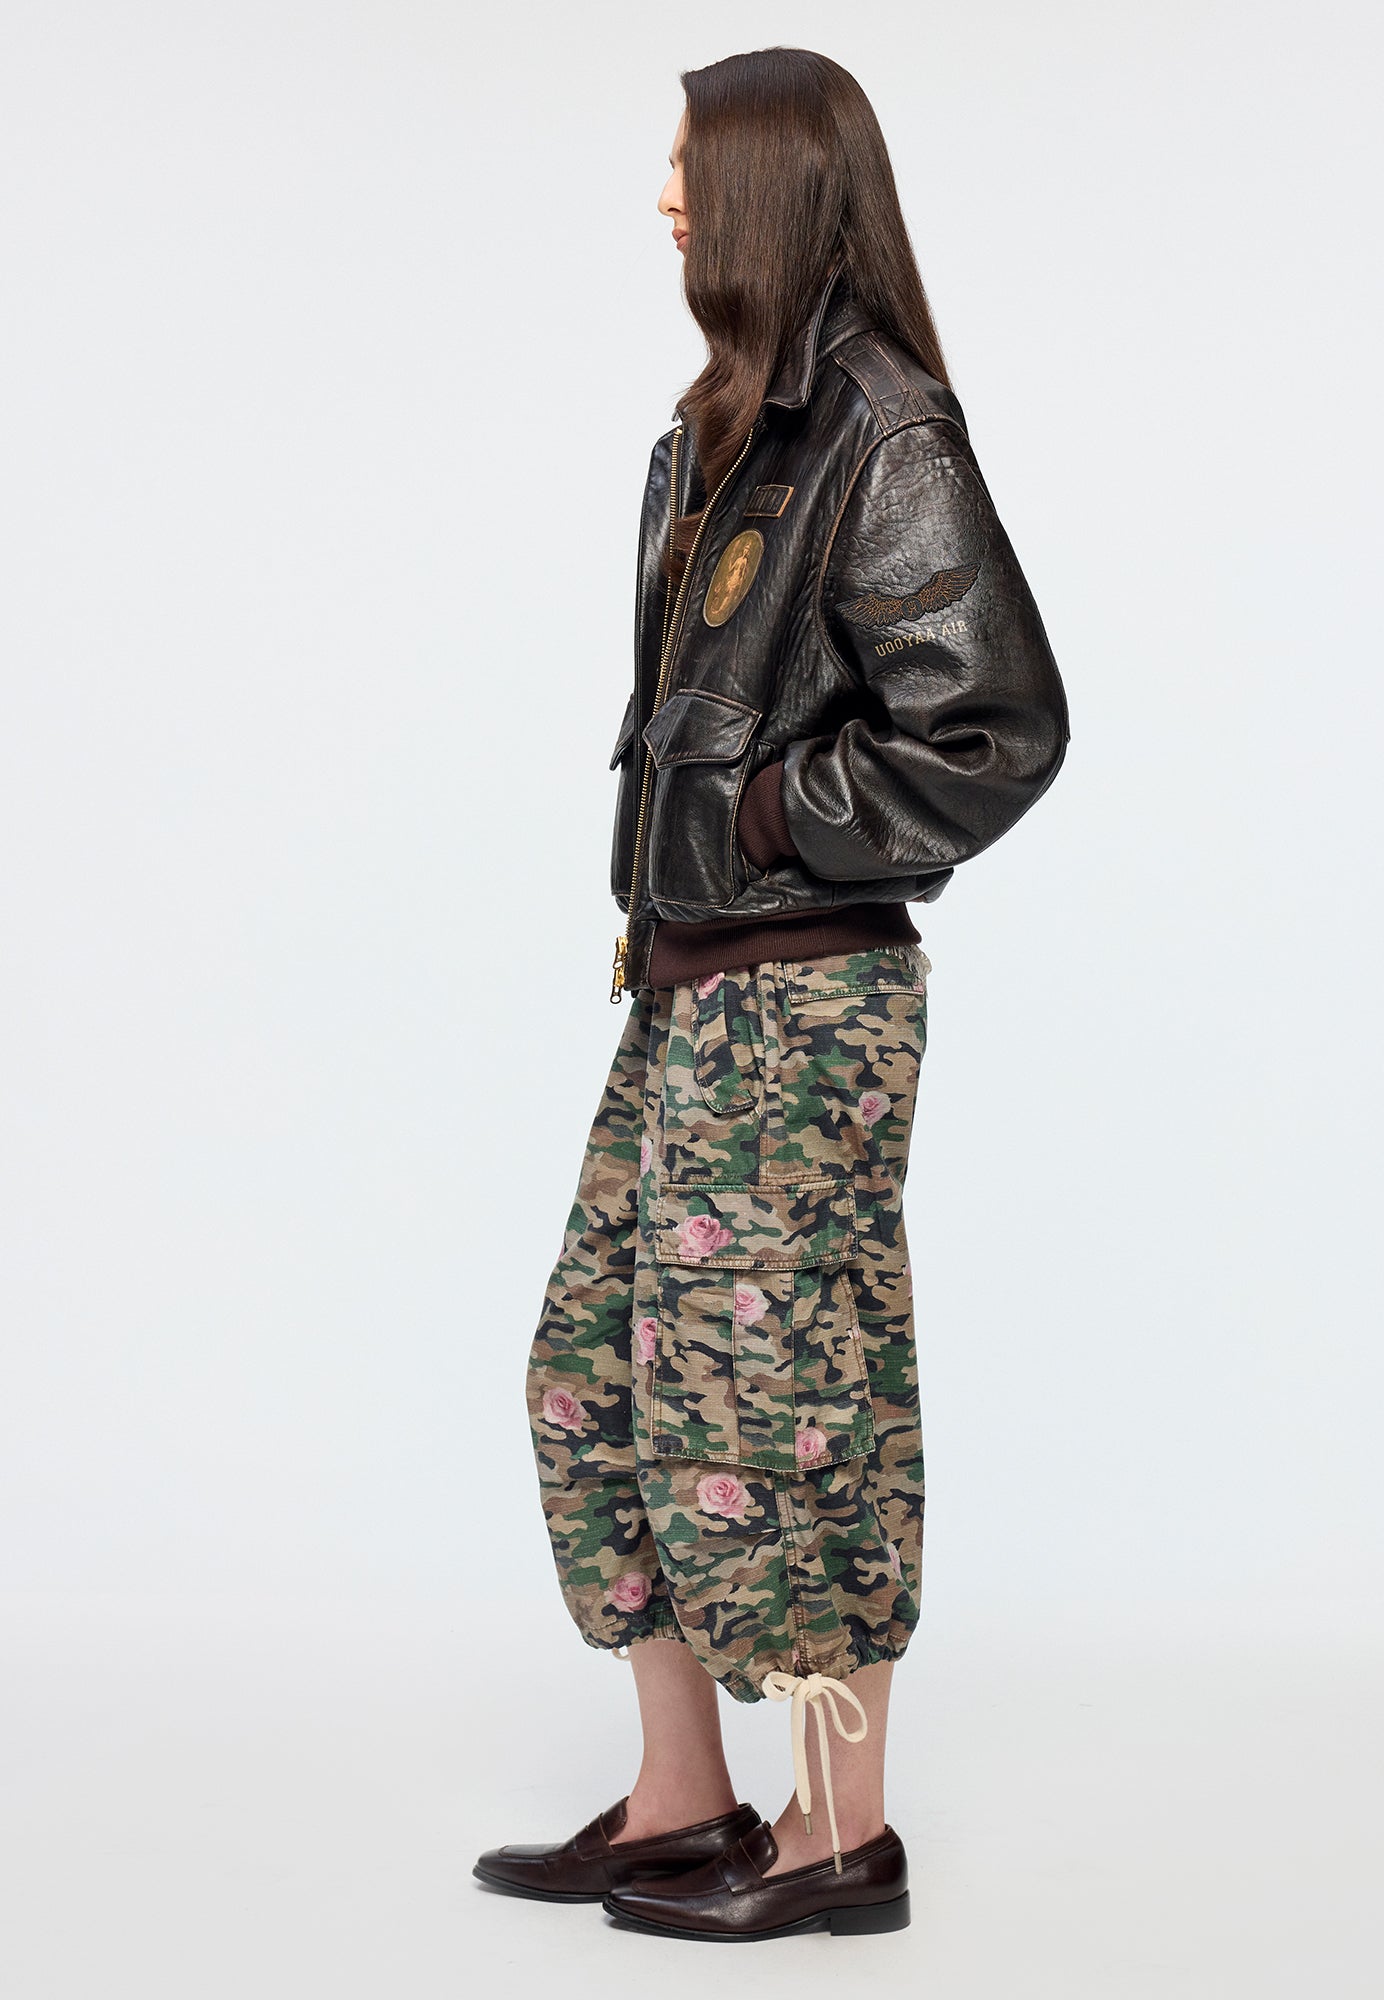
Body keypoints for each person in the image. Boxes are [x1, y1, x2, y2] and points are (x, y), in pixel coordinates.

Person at [474, 46, 1069, 1942]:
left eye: (688, 165)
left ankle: (836, 1836)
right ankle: (682, 1802)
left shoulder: (883, 431)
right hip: (684, 990)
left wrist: (761, 813)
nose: (664, 196)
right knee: (596, 1375)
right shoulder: (717, 432)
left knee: (785, 1401)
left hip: (804, 1009)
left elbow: (995, 727)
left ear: (773, 191)